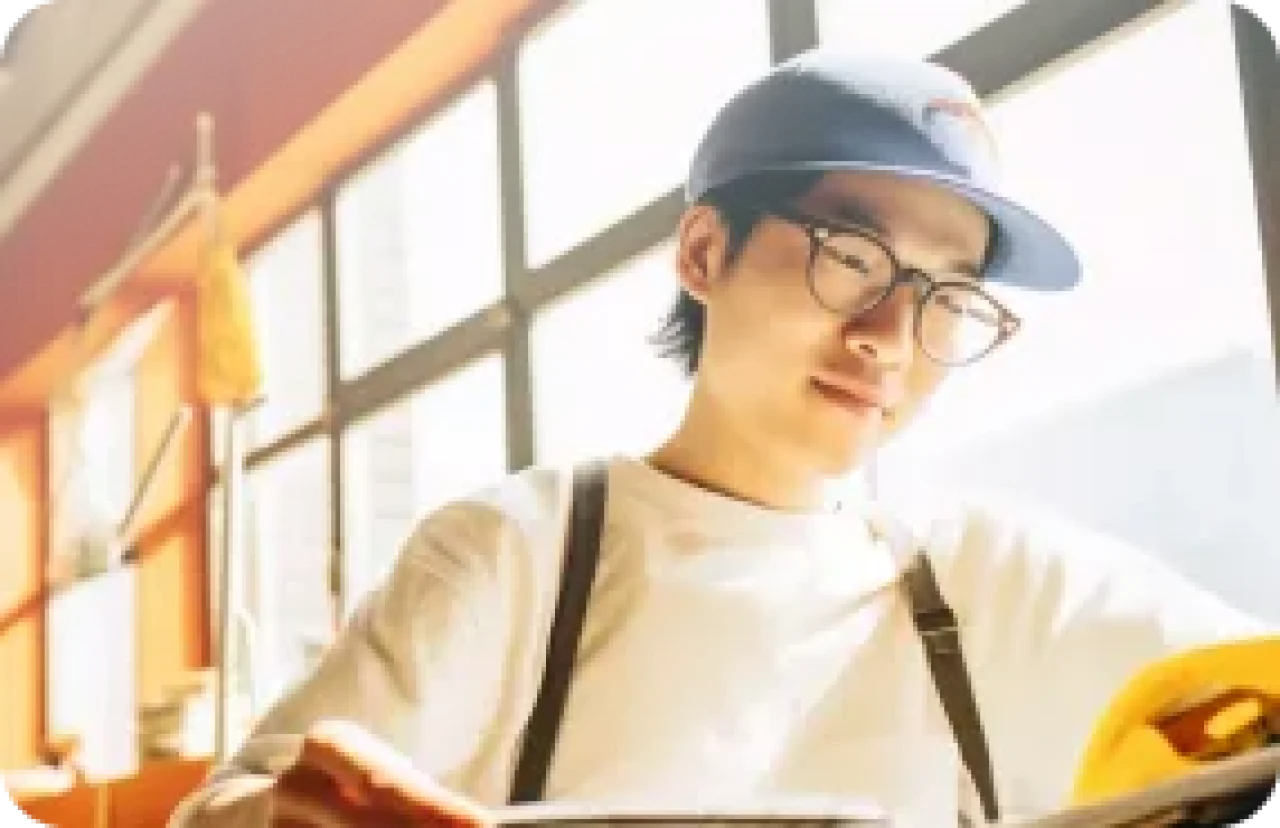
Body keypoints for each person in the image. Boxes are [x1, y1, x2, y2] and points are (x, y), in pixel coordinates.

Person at [168, 49, 1268, 828]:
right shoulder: (514, 556)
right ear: (703, 253)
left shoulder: (994, 578)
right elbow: (227, 811)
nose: (891, 337)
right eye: (853, 256)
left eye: (947, 294)